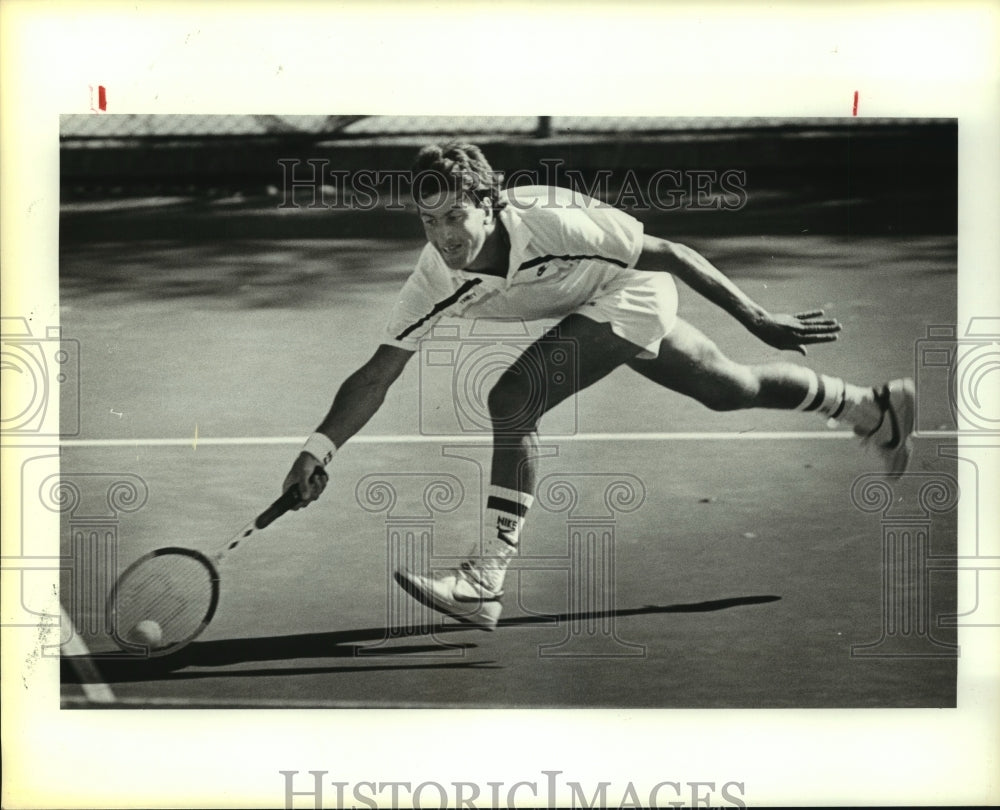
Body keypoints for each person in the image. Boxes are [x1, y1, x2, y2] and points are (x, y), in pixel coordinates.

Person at [282, 141, 914, 631]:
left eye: (455, 215)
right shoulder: (434, 281)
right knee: (728, 388)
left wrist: (759, 317)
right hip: (590, 302)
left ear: (491, 205)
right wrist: (318, 449)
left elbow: (669, 253)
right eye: (428, 222)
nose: (444, 236)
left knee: (513, 397)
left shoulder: (554, 222)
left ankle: (485, 578)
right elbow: (379, 371)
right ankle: (870, 407)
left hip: (631, 288)